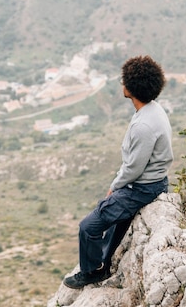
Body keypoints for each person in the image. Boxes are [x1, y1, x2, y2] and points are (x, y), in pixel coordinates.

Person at [63, 55, 173, 289]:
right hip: (155, 182)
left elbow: (134, 167)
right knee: (111, 216)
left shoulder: (143, 125)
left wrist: (115, 186)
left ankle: (92, 271)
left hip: (142, 188)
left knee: (88, 227)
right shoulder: (154, 110)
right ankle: (105, 259)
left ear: (131, 88)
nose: (121, 85)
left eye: (124, 81)